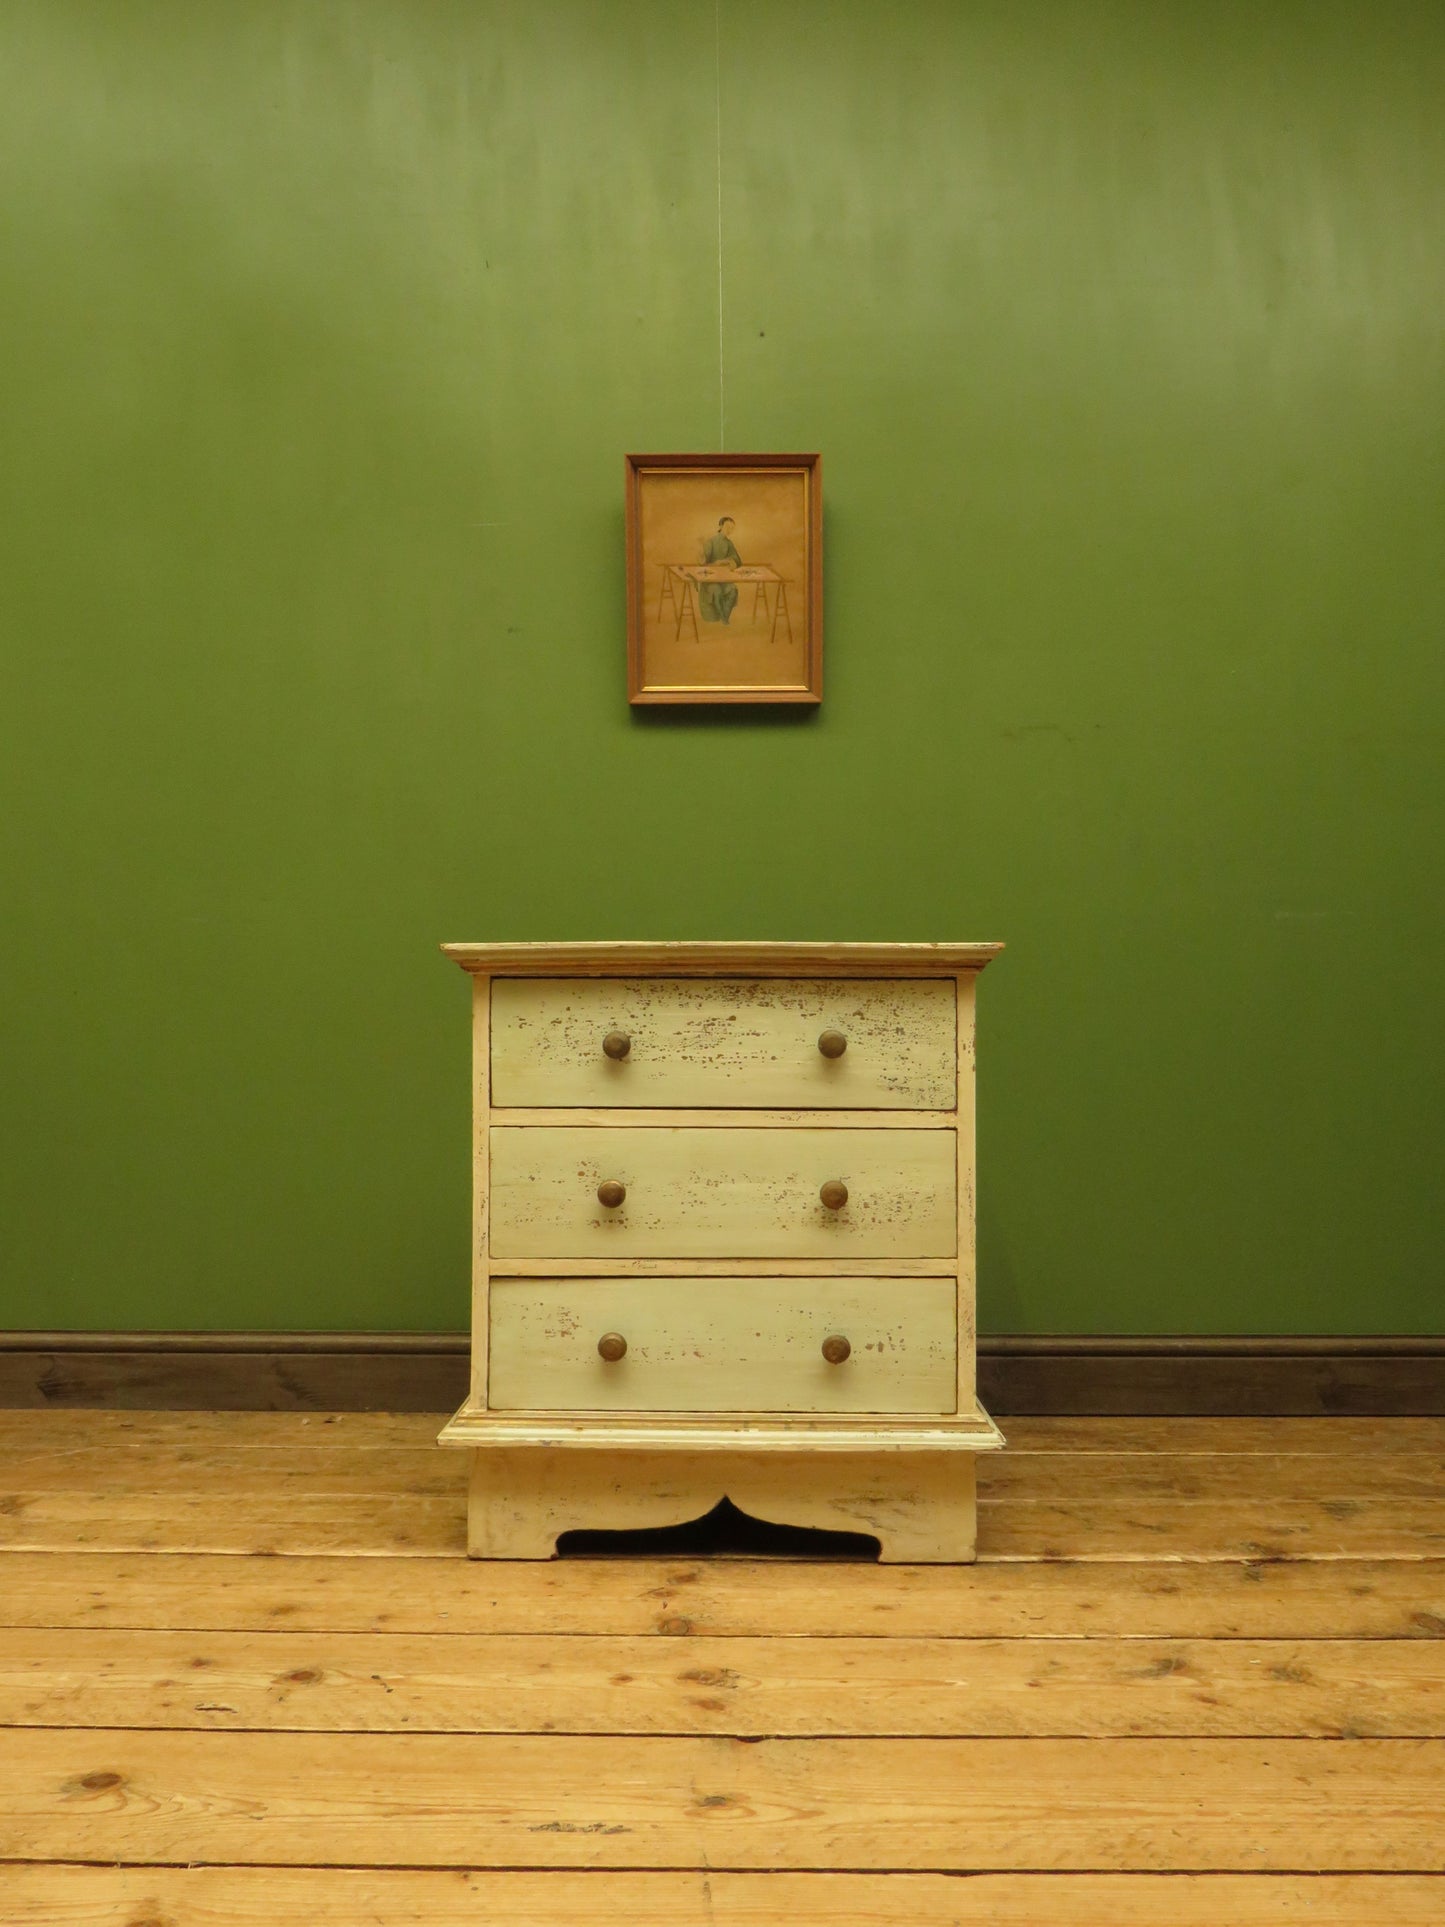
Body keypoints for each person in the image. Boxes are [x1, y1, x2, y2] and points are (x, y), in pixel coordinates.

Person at [698, 516, 741, 623]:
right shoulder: (711, 541)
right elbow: (703, 562)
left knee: (733, 590)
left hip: (724, 578)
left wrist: (728, 562)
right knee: (717, 591)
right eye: (727, 526)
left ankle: (724, 617)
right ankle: (723, 617)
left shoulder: (729, 543)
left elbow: (737, 560)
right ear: (721, 526)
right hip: (710, 580)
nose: (729, 530)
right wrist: (701, 550)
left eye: (732, 528)